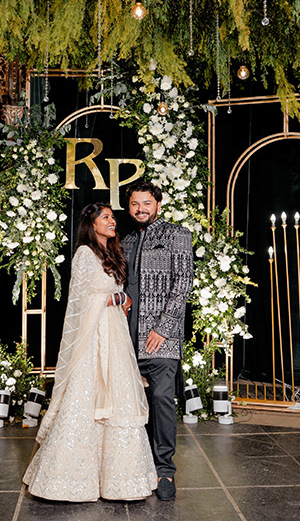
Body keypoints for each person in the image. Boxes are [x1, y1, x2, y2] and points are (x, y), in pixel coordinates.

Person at [23, 202, 157, 501]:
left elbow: (111, 292)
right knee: (85, 398)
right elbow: (80, 302)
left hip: (114, 335)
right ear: (91, 223)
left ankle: (119, 480)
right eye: (106, 218)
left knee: (118, 398)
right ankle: (68, 478)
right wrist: (115, 298)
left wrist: (121, 300)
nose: (112, 222)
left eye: (112, 218)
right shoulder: (85, 254)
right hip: (93, 338)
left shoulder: (111, 252)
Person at [122, 181, 194, 501]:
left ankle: (164, 469)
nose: (141, 209)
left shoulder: (177, 235)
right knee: (128, 405)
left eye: (146, 203)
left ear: (158, 205)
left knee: (162, 400)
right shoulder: (124, 241)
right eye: (135, 204)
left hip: (161, 339)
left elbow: (183, 283)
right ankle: (135, 464)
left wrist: (163, 328)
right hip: (126, 338)